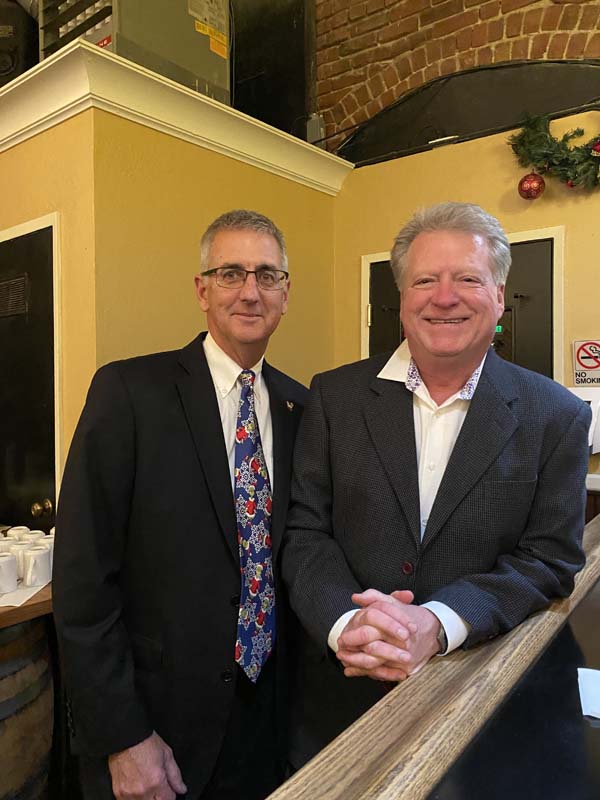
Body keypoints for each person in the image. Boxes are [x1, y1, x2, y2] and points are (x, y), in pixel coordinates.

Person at [282, 201, 591, 765]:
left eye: (467, 279)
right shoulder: (334, 397)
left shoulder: (557, 416)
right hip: (342, 690)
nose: (444, 297)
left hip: (477, 695)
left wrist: (438, 622)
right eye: (425, 280)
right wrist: (348, 624)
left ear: (499, 296)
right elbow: (305, 532)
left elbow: (549, 559)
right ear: (402, 300)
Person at [53, 210, 307, 800]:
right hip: (156, 728)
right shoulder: (129, 393)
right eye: (230, 273)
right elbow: (82, 579)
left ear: (285, 294)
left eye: (268, 275)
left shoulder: (302, 407)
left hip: (266, 723)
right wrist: (123, 735)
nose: (250, 291)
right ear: (201, 289)